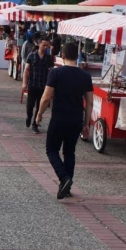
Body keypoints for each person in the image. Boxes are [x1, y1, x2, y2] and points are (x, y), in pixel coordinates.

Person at [35, 43, 93, 200]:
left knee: (51, 149)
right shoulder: (86, 76)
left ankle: (64, 178)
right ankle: (66, 188)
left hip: (59, 117)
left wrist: (39, 113)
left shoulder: (56, 73)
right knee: (69, 152)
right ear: (77, 56)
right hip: (76, 119)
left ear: (63, 55)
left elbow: (46, 97)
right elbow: (90, 102)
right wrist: (86, 124)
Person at [22, 38, 54, 134]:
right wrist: (24, 83)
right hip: (32, 84)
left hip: (43, 85)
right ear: (39, 44)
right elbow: (26, 70)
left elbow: (51, 71)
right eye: (43, 45)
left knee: (40, 106)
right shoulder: (31, 56)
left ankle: (35, 124)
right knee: (30, 105)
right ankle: (29, 116)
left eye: (47, 45)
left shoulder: (48, 58)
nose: (45, 47)